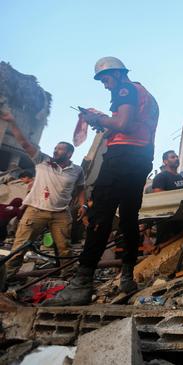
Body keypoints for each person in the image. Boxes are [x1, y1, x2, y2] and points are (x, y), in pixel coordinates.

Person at [44, 57, 159, 306]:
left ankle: (81, 284)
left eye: (106, 80)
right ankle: (127, 277)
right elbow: (131, 125)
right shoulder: (146, 94)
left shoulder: (124, 88)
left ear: (117, 75)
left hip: (121, 158)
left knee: (100, 216)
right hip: (140, 159)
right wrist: (108, 126)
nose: (106, 86)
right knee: (129, 217)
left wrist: (98, 119)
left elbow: (122, 123)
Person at [0, 111, 85, 278]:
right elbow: (24, 142)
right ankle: (6, 278)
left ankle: (67, 278)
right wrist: (12, 122)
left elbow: (81, 187)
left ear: (69, 154)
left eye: (60, 149)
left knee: (64, 249)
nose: (56, 151)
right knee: (19, 248)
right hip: (36, 210)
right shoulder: (42, 161)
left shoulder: (77, 170)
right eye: (55, 148)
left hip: (61, 213)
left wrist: (82, 204)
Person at [151, 150, 183, 243]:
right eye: (172, 157)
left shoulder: (180, 177)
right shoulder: (161, 177)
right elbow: (159, 197)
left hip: (179, 217)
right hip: (166, 220)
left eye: (176, 157)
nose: (176, 159)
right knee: (165, 245)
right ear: (165, 161)